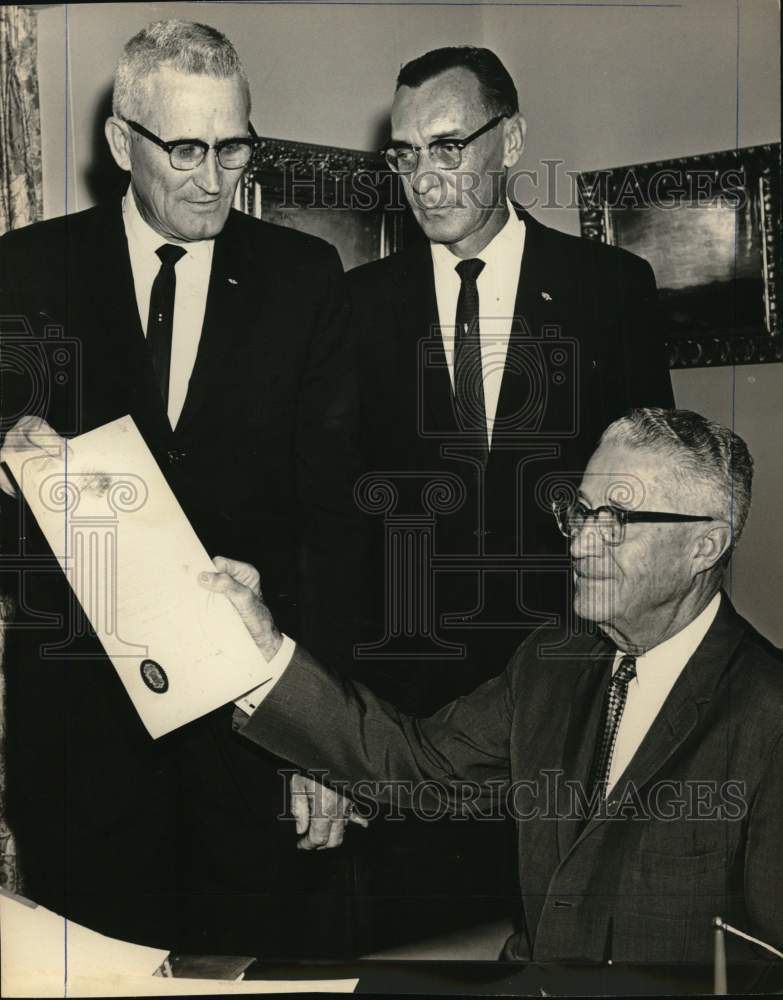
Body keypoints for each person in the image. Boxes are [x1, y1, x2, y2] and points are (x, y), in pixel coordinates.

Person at [0, 19, 360, 955]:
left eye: (233, 146)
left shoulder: (304, 278)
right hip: (80, 743)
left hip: (254, 737)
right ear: (122, 142)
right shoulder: (23, 274)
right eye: (186, 149)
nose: (214, 178)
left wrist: (325, 741)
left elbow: (333, 526)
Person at [202, 408, 783, 974]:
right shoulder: (551, 663)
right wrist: (264, 648)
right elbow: (418, 766)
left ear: (705, 546)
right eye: (580, 513)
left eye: (617, 520)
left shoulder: (769, 718)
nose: (581, 543)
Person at [350, 46, 675, 711]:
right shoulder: (357, 304)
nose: (424, 181)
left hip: (567, 665)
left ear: (512, 140)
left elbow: (648, 489)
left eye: (448, 148)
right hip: (404, 676)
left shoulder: (609, 289)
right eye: (405, 155)